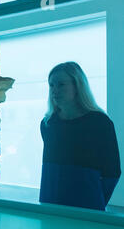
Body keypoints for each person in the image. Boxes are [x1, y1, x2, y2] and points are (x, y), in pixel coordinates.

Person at [39, 62, 121, 211]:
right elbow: (49, 169)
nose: (54, 90)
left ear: (77, 86)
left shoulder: (100, 122)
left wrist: (95, 200)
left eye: (61, 84)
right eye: (51, 85)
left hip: (87, 205)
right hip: (50, 203)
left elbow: (112, 172)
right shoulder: (47, 123)